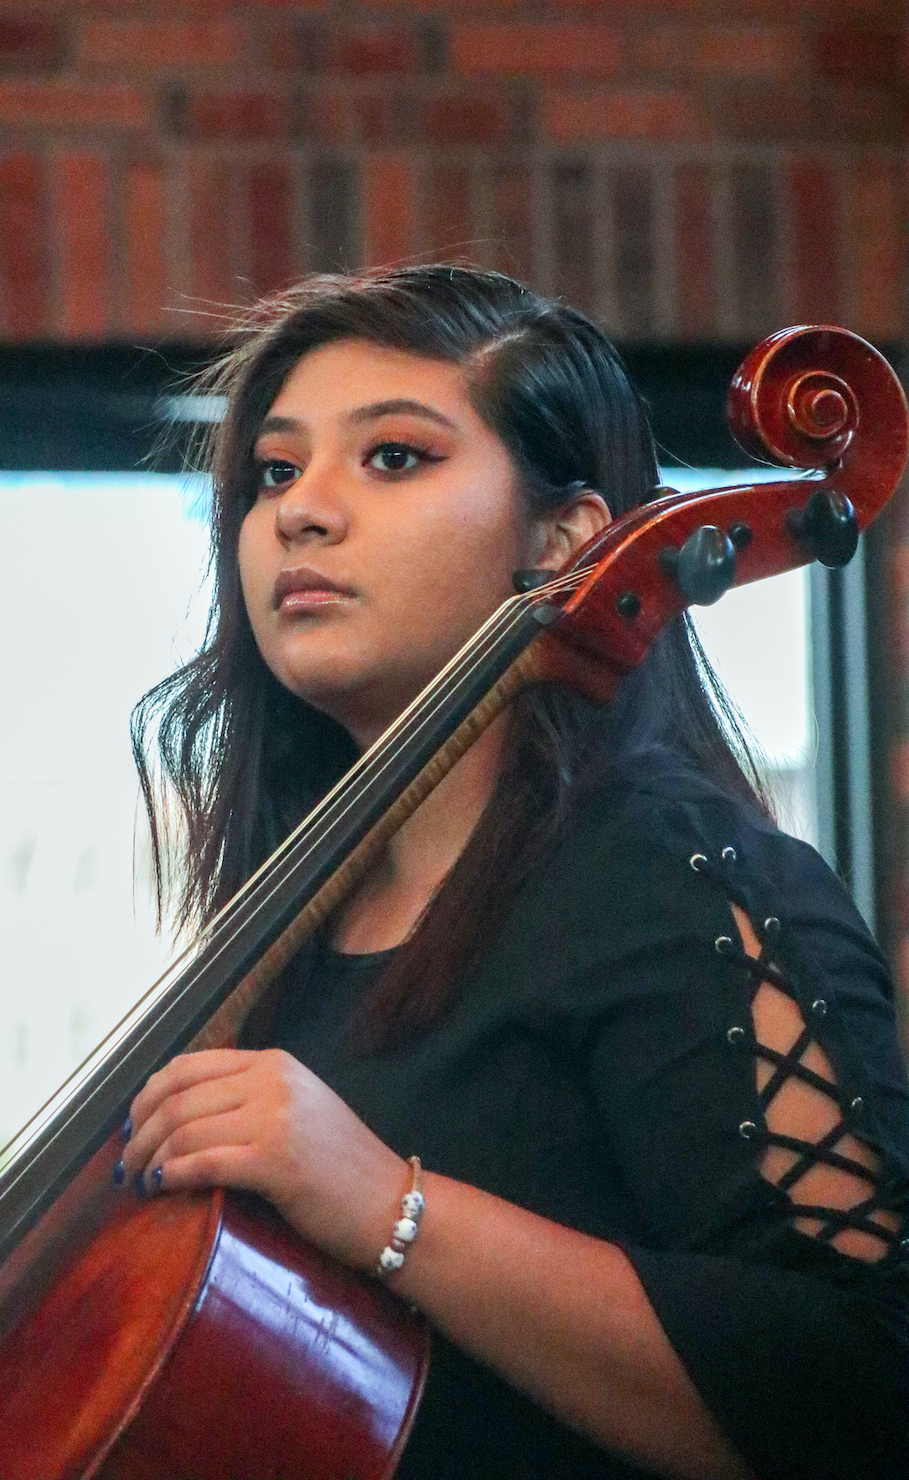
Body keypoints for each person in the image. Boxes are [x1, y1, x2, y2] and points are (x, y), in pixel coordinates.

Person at [118, 265, 909, 1479]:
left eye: (392, 458)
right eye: (276, 471)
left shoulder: (678, 875)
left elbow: (866, 1381)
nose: (300, 512)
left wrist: (387, 1202)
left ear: (566, 538)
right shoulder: (283, 930)